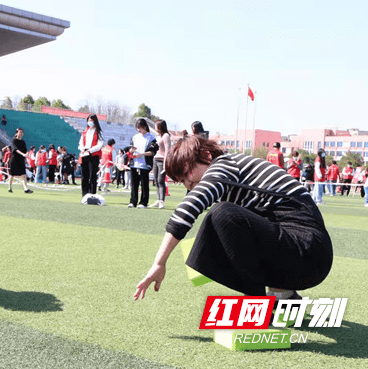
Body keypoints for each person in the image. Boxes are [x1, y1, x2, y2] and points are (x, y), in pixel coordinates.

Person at [134, 135, 333, 302]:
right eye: (182, 181)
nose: (188, 184)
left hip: (309, 250)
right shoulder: (232, 175)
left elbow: (191, 206)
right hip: (303, 254)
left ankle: (257, 304)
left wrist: (159, 262)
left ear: (206, 155)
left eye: (187, 173)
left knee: (222, 214)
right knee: (214, 232)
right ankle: (284, 296)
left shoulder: (225, 163)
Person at [128, 118, 157, 209]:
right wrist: (131, 151)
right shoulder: (135, 137)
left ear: (144, 127)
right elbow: (129, 149)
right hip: (134, 163)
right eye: (137, 128)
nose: (139, 130)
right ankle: (133, 201)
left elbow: (152, 152)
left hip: (144, 164)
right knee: (134, 183)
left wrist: (141, 154)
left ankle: (144, 202)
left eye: (140, 127)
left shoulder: (151, 137)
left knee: (144, 184)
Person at [78, 114, 104, 196]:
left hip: (93, 155)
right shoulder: (85, 131)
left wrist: (90, 150)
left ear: (95, 121)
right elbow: (81, 143)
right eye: (88, 121)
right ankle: (84, 194)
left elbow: (100, 144)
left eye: (91, 121)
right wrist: (82, 149)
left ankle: (92, 194)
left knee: (92, 176)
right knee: (84, 176)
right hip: (84, 154)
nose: (90, 122)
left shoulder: (98, 132)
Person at [149, 120, 170, 209]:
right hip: (155, 159)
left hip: (162, 160)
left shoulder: (166, 136)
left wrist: (166, 163)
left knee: (161, 181)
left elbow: (167, 150)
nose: (155, 127)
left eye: (156, 126)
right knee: (156, 181)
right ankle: (158, 199)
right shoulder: (157, 136)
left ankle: (162, 200)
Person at [7, 128, 33, 194]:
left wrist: (26, 154)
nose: (21, 133)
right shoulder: (14, 141)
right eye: (20, 132)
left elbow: (25, 150)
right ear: (16, 133)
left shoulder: (23, 142)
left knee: (23, 175)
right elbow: (15, 149)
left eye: (22, 132)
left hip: (21, 160)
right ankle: (9, 187)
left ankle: (26, 189)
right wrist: (23, 154)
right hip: (14, 159)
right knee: (12, 175)